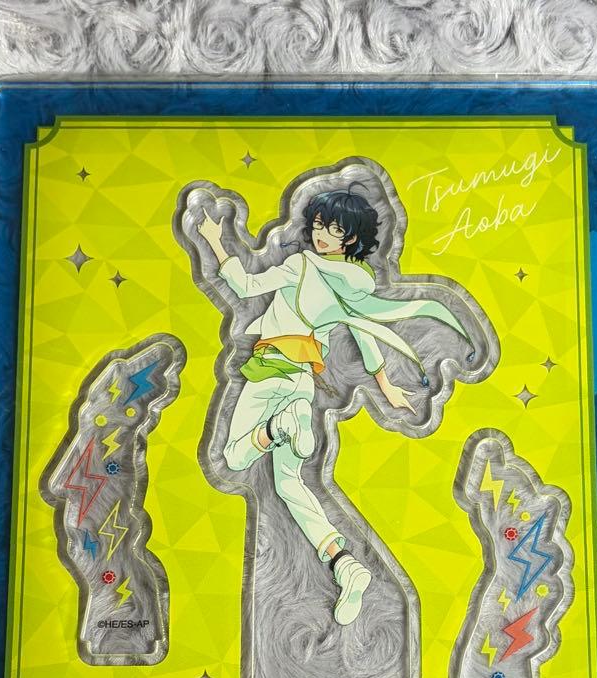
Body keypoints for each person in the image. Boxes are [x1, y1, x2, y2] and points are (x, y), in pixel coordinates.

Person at [197, 187, 470, 625]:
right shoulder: (351, 285)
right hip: (301, 383)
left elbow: (245, 285)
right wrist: (386, 387)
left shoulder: (301, 265)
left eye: (335, 230)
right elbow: (364, 333)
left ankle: (278, 429)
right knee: (289, 485)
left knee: (233, 457)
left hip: (271, 371)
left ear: (351, 238)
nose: (322, 234)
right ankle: (345, 566)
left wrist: (214, 240)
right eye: (321, 225)